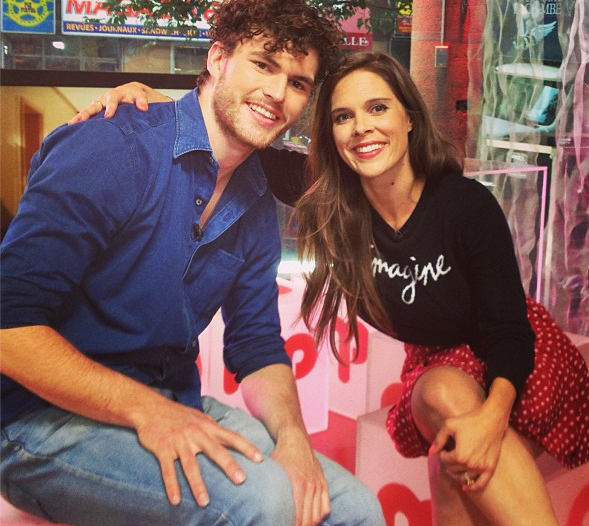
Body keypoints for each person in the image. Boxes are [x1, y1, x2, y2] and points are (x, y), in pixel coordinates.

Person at [87, 51, 589, 526]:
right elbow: (236, 132)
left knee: (454, 437)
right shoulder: (334, 203)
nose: (362, 127)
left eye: (378, 108)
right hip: (438, 367)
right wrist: (156, 101)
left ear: (409, 117)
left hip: (517, 366)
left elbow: (509, 332)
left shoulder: (464, 205)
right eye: (343, 116)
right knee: (446, 404)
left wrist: (493, 417)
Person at [0, 1, 386, 524]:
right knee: (262, 502)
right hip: (36, 417)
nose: (278, 93)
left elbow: (256, 345)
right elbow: (8, 326)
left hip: (172, 399)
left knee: (355, 510)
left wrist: (294, 440)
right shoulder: (112, 146)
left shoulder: (255, 195)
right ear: (219, 58)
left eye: (297, 83)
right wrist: (148, 410)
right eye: (263, 64)